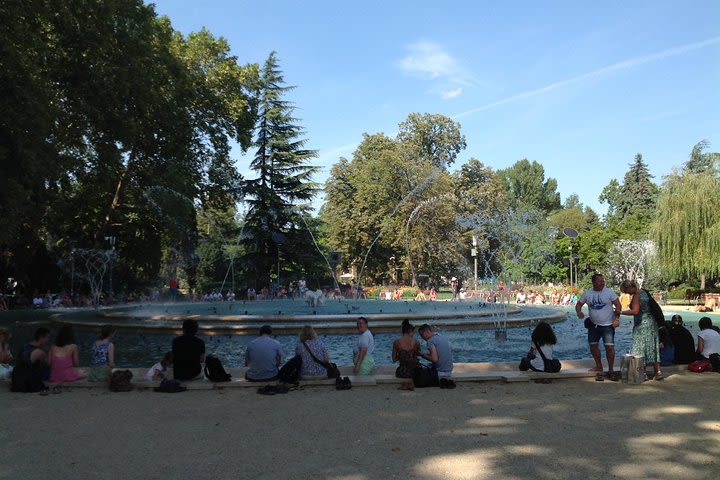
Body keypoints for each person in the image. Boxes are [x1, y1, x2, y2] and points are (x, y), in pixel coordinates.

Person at [575, 273, 622, 380]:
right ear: (594, 282)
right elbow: (578, 305)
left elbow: (618, 305)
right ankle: (599, 365)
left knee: (609, 347)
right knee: (593, 346)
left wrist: (617, 319)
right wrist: (579, 312)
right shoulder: (587, 294)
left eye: (603, 281)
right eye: (600, 281)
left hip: (608, 325)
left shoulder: (609, 292)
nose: (602, 283)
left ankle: (610, 370)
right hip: (593, 325)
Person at [619, 280, 663, 380]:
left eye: (626, 291)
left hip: (642, 325)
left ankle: (643, 373)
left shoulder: (636, 296)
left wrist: (620, 312)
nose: (627, 294)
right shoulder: (644, 292)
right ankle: (658, 372)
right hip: (652, 323)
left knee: (639, 348)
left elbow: (635, 311)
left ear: (629, 288)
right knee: (652, 346)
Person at [11, 327, 50, 392]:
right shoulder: (39, 352)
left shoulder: (24, 346)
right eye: (47, 337)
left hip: (16, 380)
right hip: (27, 383)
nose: (48, 340)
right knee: (46, 368)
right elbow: (47, 364)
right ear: (41, 337)